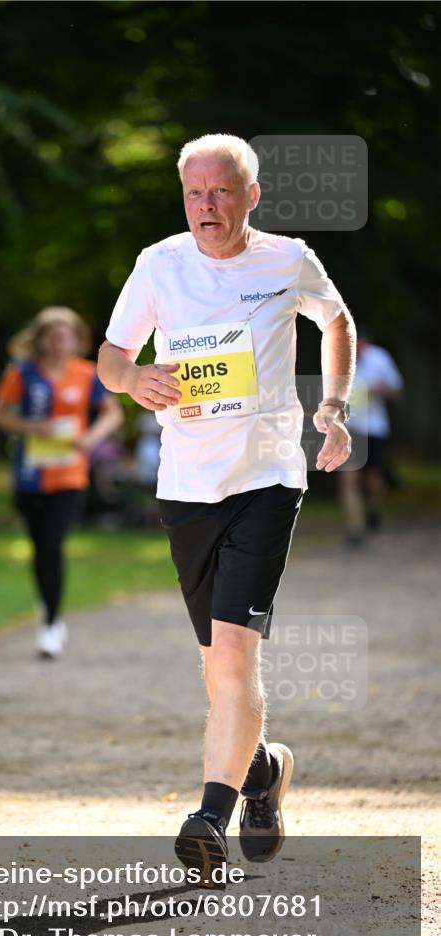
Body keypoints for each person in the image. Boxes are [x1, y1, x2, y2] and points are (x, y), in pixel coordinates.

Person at [97, 134, 355, 879]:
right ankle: (264, 770)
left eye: (220, 191)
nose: (206, 207)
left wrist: (331, 406)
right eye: (193, 193)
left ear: (251, 196)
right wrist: (132, 379)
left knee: (236, 655)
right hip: (186, 485)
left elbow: (334, 321)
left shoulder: (287, 259)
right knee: (216, 669)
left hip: (268, 478)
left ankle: (208, 814)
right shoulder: (159, 264)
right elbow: (113, 355)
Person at [0, 306, 123, 658]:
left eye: (65, 334)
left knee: (52, 544)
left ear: (76, 339)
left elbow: (113, 413)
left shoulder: (86, 374)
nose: (59, 341)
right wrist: (30, 427)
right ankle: (48, 607)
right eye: (52, 334)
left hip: (70, 475)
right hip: (29, 475)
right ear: (41, 339)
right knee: (40, 548)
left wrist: (90, 439)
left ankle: (51, 622)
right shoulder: (22, 373)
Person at [339, 335, 403, 545]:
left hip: (374, 428)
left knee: (373, 478)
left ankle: (374, 507)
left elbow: (396, 390)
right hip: (348, 429)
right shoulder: (336, 356)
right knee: (349, 478)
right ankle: (355, 528)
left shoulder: (379, 358)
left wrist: (379, 389)